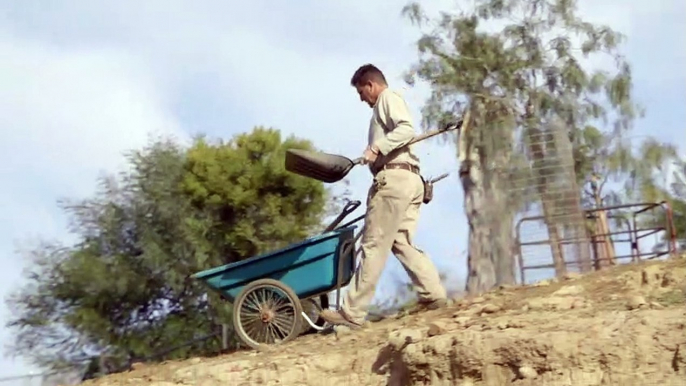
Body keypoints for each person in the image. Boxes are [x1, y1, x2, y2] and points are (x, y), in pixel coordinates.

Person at [319, 64, 448, 328]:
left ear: (371, 85)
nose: (361, 99)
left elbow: (405, 129)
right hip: (410, 180)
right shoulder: (384, 105)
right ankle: (433, 294)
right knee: (401, 241)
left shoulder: (387, 99)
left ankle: (352, 313)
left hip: (394, 180)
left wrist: (376, 148)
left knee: (374, 244)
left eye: (361, 92)